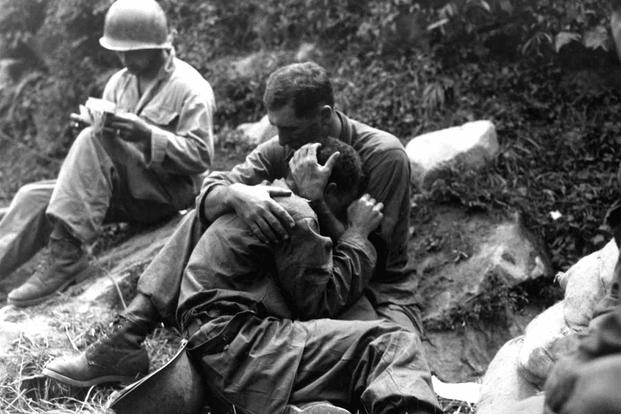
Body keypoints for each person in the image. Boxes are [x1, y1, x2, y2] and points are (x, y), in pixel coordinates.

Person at [44, 62, 439, 412]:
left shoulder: (384, 156)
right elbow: (210, 191)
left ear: (324, 116)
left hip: (369, 287)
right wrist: (236, 194)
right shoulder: (285, 146)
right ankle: (128, 333)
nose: (282, 142)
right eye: (276, 129)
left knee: (391, 348)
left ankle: (304, 400)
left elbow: (376, 256)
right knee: (212, 211)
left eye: (290, 129)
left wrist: (313, 205)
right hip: (304, 274)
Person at [0, 0, 215, 307]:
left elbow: (201, 157)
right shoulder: (120, 82)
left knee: (93, 140)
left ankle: (66, 254)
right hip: (125, 189)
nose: (125, 58)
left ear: (158, 46)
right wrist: (94, 123)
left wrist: (145, 133)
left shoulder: (190, 88)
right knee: (32, 195)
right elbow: (106, 145)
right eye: (120, 50)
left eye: (134, 51)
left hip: (167, 194)